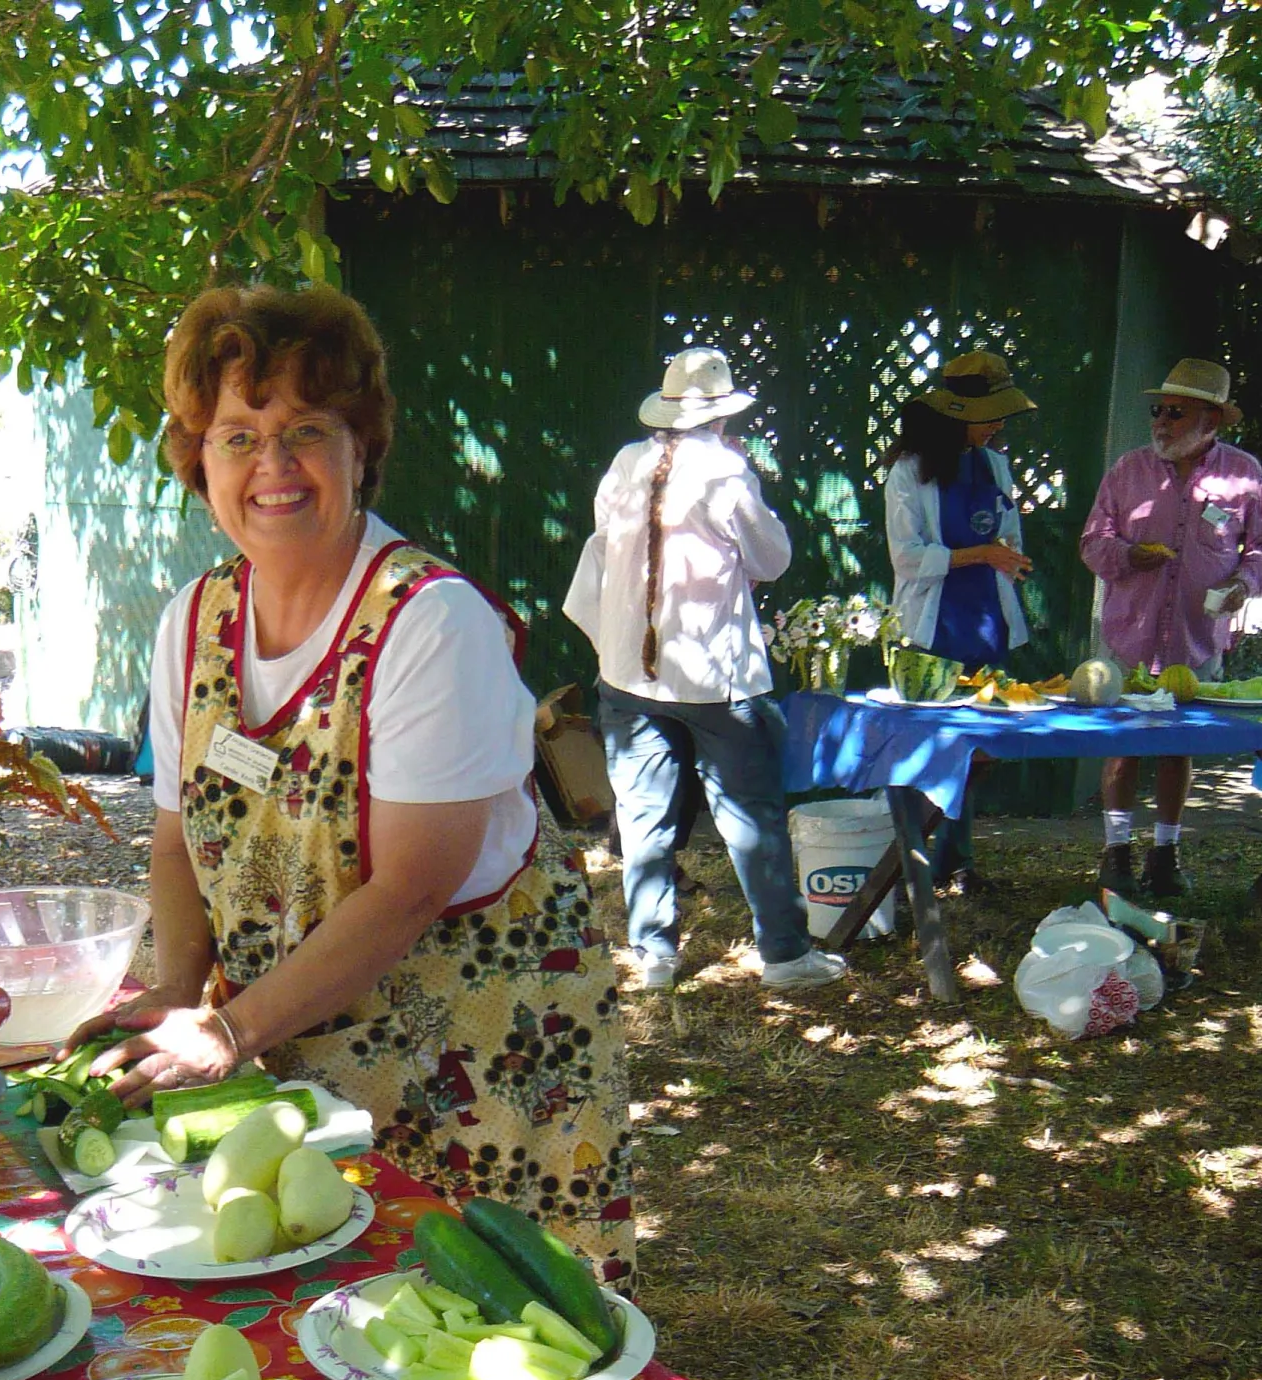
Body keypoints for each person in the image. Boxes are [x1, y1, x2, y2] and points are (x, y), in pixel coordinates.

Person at [64, 285, 633, 1284]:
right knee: (326, 1316)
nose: (271, 468)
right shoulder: (191, 622)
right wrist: (173, 988)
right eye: (237, 435)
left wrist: (232, 1028)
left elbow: (409, 891)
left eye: (304, 431)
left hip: (481, 1055)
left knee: (495, 1324)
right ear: (197, 460)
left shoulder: (429, 622)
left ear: (359, 449)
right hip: (296, 1035)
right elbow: (172, 837)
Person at [565, 348, 846, 992]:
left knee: (642, 817)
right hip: (716, 678)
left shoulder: (626, 464)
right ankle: (783, 955)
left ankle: (655, 956)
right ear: (720, 418)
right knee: (750, 817)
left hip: (629, 675)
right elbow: (771, 559)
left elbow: (607, 543)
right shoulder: (726, 471)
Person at [1080, 357, 1262, 896]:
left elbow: (1257, 552)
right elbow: (1092, 542)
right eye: (1158, 410)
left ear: (1212, 420)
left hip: (1197, 636)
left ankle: (1165, 852)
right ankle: (1116, 852)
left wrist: (1241, 588)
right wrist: (1128, 557)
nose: (1161, 421)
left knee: (1177, 745)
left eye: (1176, 412)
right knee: (1121, 741)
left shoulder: (1246, 475)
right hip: (1129, 632)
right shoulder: (1128, 470)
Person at [882, 350, 1036, 891]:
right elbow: (908, 557)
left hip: (987, 625)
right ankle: (909, 860)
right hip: (933, 631)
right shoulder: (908, 472)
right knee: (926, 750)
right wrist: (981, 555)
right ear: (955, 413)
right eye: (989, 414)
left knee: (978, 752)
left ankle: (958, 860)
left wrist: (1008, 556)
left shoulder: (994, 463)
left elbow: (1007, 531)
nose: (997, 424)